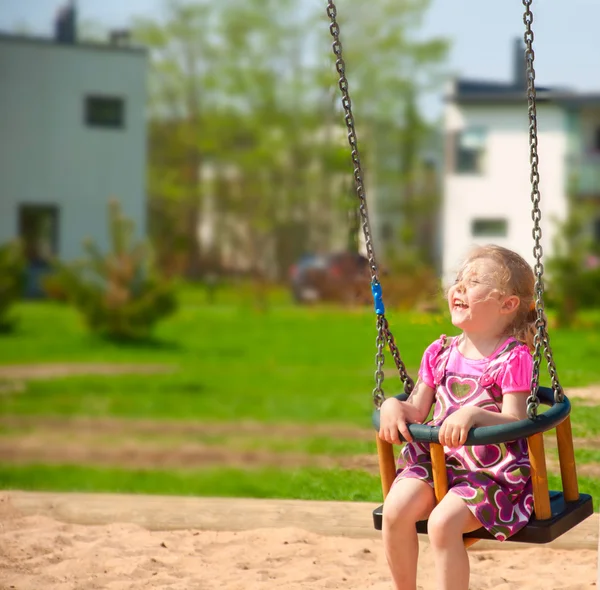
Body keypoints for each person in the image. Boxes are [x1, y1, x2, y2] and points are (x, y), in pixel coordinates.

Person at [379, 244, 536, 590]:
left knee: (442, 524)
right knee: (394, 510)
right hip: (438, 465)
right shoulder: (439, 352)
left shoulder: (513, 358)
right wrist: (393, 405)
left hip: (491, 476)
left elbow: (515, 418)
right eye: (459, 280)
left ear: (507, 304)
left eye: (475, 281)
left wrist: (474, 414)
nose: (460, 287)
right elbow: (417, 407)